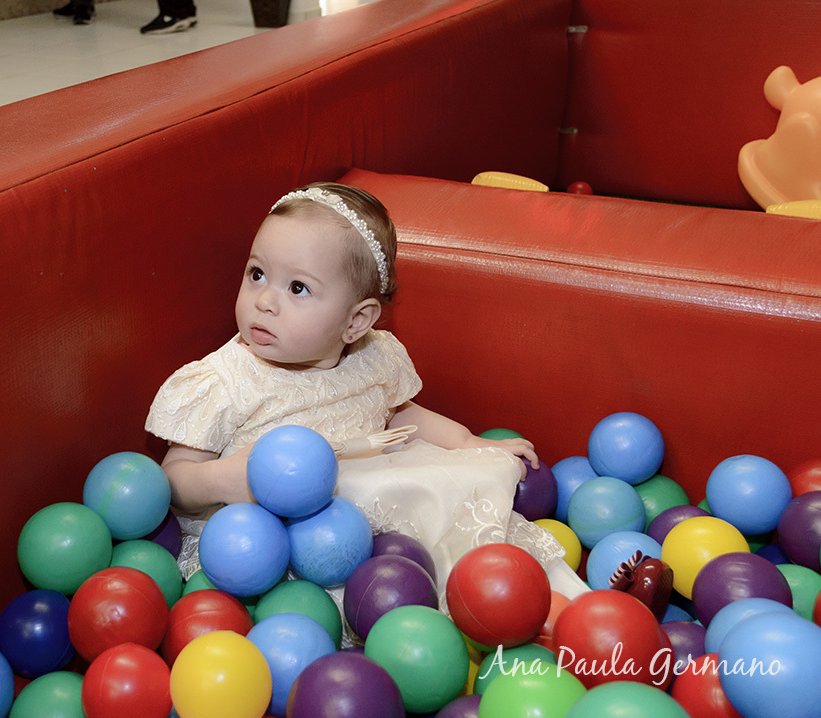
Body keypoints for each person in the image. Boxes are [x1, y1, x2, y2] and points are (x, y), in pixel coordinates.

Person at [145, 182, 589, 602]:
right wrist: (221, 479)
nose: (265, 300)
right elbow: (173, 478)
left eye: (297, 287)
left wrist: (470, 444)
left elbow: (402, 416)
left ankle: (513, 593)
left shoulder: (374, 358)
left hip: (372, 521)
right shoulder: (224, 380)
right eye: (257, 273)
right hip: (266, 540)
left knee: (455, 487)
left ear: (356, 321)